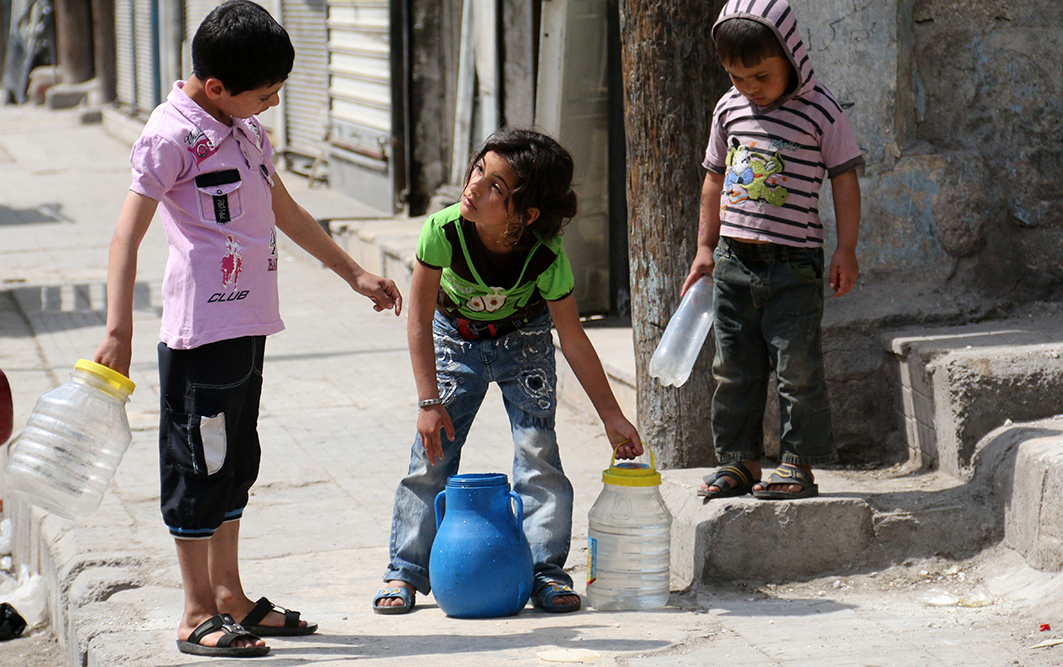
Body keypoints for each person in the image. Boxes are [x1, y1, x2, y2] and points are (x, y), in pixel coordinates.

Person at [93, 1, 402, 657]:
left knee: (235, 465)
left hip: (248, 324)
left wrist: (353, 273)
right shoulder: (171, 138)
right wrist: (117, 329)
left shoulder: (245, 130)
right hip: (200, 333)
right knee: (197, 467)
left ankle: (231, 595)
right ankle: (195, 609)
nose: (270, 106)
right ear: (216, 88)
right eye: (263, 96)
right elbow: (126, 235)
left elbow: (282, 207)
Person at [372, 129, 643, 615]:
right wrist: (428, 402)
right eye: (479, 169)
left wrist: (612, 415)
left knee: (537, 452)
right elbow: (418, 316)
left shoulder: (545, 256)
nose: (475, 185)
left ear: (527, 214)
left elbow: (574, 339)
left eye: (496, 185)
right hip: (455, 340)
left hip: (525, 341)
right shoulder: (443, 230)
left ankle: (545, 572)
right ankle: (405, 571)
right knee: (430, 456)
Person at [686, 0, 864, 501]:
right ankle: (739, 462)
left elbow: (845, 182)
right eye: (736, 76)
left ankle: (797, 464)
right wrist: (705, 248)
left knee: (797, 369)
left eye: (760, 75)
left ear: (792, 55)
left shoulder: (821, 110)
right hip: (732, 262)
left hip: (795, 268)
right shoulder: (729, 109)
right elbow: (713, 182)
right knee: (733, 368)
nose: (749, 88)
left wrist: (845, 249)